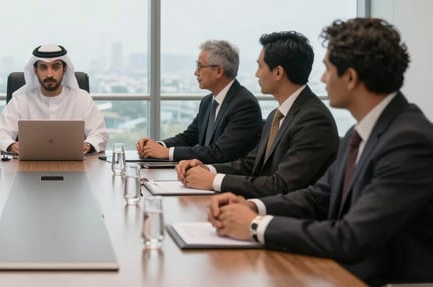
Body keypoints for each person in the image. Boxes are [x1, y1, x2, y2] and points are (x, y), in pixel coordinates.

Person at [208, 18, 433, 286]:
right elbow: (317, 198)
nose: (323, 78)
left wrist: (255, 225)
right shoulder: (359, 132)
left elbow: (351, 237)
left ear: (350, 77)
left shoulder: (409, 141)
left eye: (327, 69)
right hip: (340, 271)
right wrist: (251, 205)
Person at [177, 31, 339, 197]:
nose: (256, 73)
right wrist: (207, 169)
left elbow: (282, 185)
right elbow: (250, 164)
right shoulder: (276, 116)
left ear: (278, 72)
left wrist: (213, 180)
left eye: (260, 66)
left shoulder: (313, 120)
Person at [136, 40, 262, 162]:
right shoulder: (208, 101)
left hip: (226, 180)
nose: (196, 73)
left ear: (219, 71)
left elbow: (221, 153)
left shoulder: (244, 104)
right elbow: (189, 137)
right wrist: (157, 146)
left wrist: (167, 153)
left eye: (200, 66)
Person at [0, 44, 109, 154]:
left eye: (55, 67)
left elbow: (100, 134)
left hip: (76, 167)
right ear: (35, 70)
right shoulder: (20, 101)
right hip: (28, 168)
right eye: (43, 67)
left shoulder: (82, 99)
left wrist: (88, 145)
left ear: (65, 69)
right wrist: (11, 145)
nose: (49, 74)